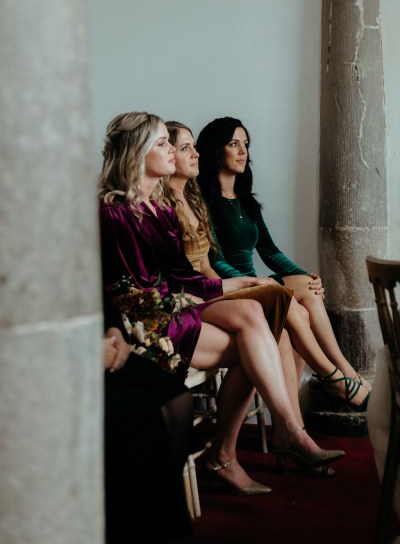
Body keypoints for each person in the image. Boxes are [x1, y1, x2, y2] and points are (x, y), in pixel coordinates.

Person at [98, 111, 345, 500]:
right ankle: (271, 438)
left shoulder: (160, 211)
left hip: (177, 304)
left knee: (254, 312)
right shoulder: (114, 213)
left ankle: (279, 435)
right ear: (136, 152)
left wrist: (240, 281)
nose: (171, 151)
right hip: (148, 322)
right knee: (254, 342)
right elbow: (136, 293)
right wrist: (199, 296)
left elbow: (184, 276)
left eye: (168, 142)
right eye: (162, 143)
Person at [164, 120, 369, 416]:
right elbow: (214, 261)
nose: (242, 151)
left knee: (309, 291)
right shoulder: (205, 201)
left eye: (245, 144)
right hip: (230, 282)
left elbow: (270, 250)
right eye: (234, 144)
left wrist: (306, 275)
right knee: (293, 311)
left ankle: (346, 375)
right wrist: (252, 283)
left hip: (248, 282)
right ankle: (334, 382)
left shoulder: (245, 203)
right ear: (217, 150)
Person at [103, 289, 194, 543]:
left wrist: (115, 333)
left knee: (178, 399)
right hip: (52, 364)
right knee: (140, 412)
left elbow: (96, 296)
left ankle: (158, 508)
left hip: (102, 347)